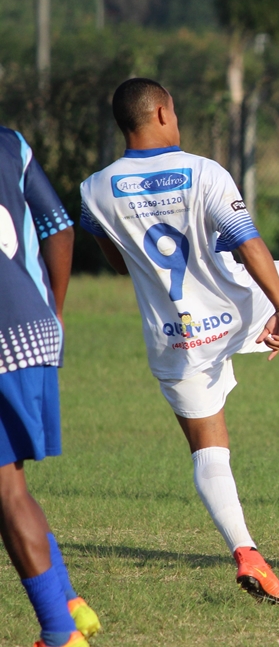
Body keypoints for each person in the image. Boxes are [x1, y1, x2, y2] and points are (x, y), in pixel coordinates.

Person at [78, 78, 279, 605]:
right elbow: (248, 243)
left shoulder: (93, 190)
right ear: (161, 113)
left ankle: (245, 551)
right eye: (175, 110)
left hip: (174, 336)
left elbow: (118, 261)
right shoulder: (203, 171)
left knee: (208, 449)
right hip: (237, 308)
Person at [0, 126, 101, 646]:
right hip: (34, 326)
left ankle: (59, 634)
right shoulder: (9, 143)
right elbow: (59, 227)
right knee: (9, 484)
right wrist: (54, 311)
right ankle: (69, 605)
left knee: (6, 490)